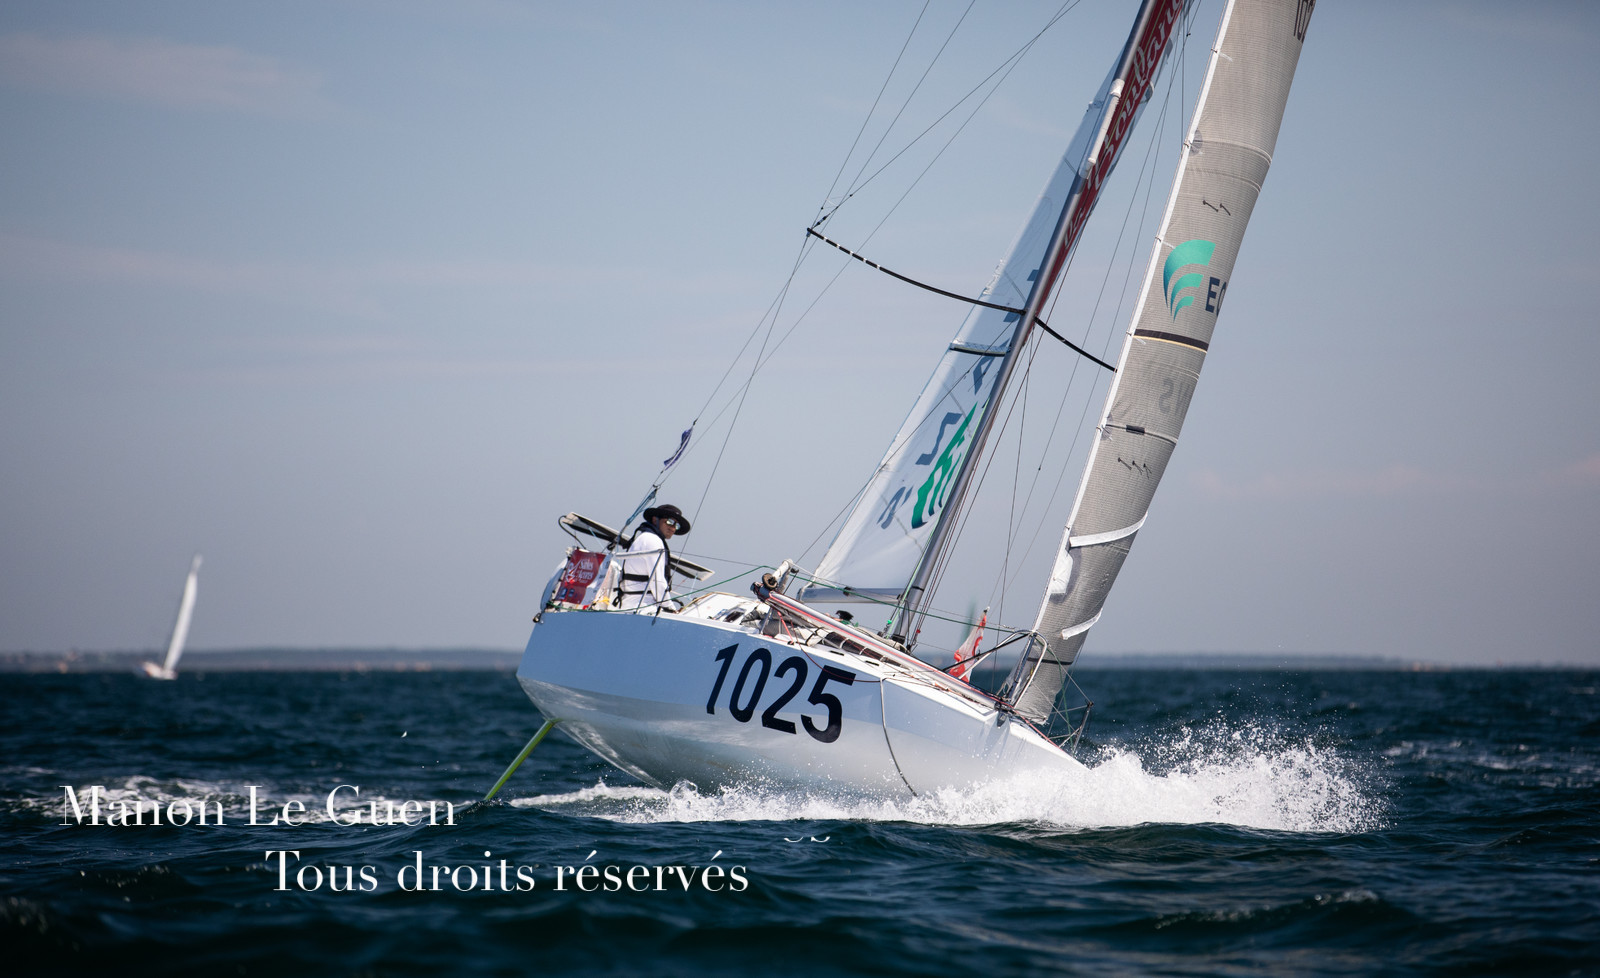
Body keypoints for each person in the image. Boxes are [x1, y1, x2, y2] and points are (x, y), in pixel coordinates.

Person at [616, 504, 690, 611]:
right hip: (644, 607)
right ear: (655, 520)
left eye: (676, 525)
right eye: (670, 522)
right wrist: (670, 608)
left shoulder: (644, 537)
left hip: (630, 606)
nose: (673, 528)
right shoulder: (653, 541)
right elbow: (657, 581)